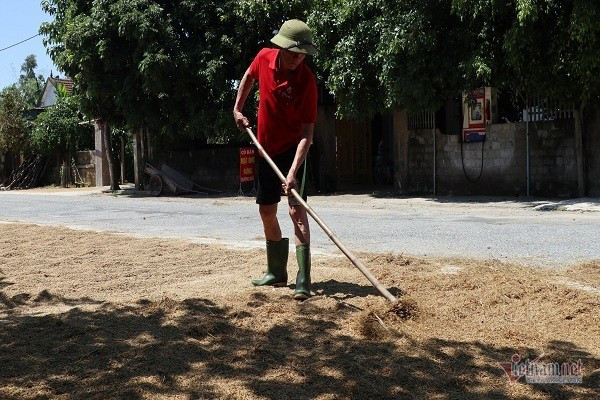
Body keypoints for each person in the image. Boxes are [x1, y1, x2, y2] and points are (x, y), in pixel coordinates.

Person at [233, 19, 318, 300]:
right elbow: (248, 77)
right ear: (280, 48)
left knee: (296, 211)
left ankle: (303, 279)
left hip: (293, 153)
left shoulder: (306, 81)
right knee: (267, 211)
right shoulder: (263, 58)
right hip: (265, 151)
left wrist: (293, 171)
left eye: (303, 54)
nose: (298, 59)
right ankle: (276, 272)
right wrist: (238, 110)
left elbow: (307, 134)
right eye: (294, 53)